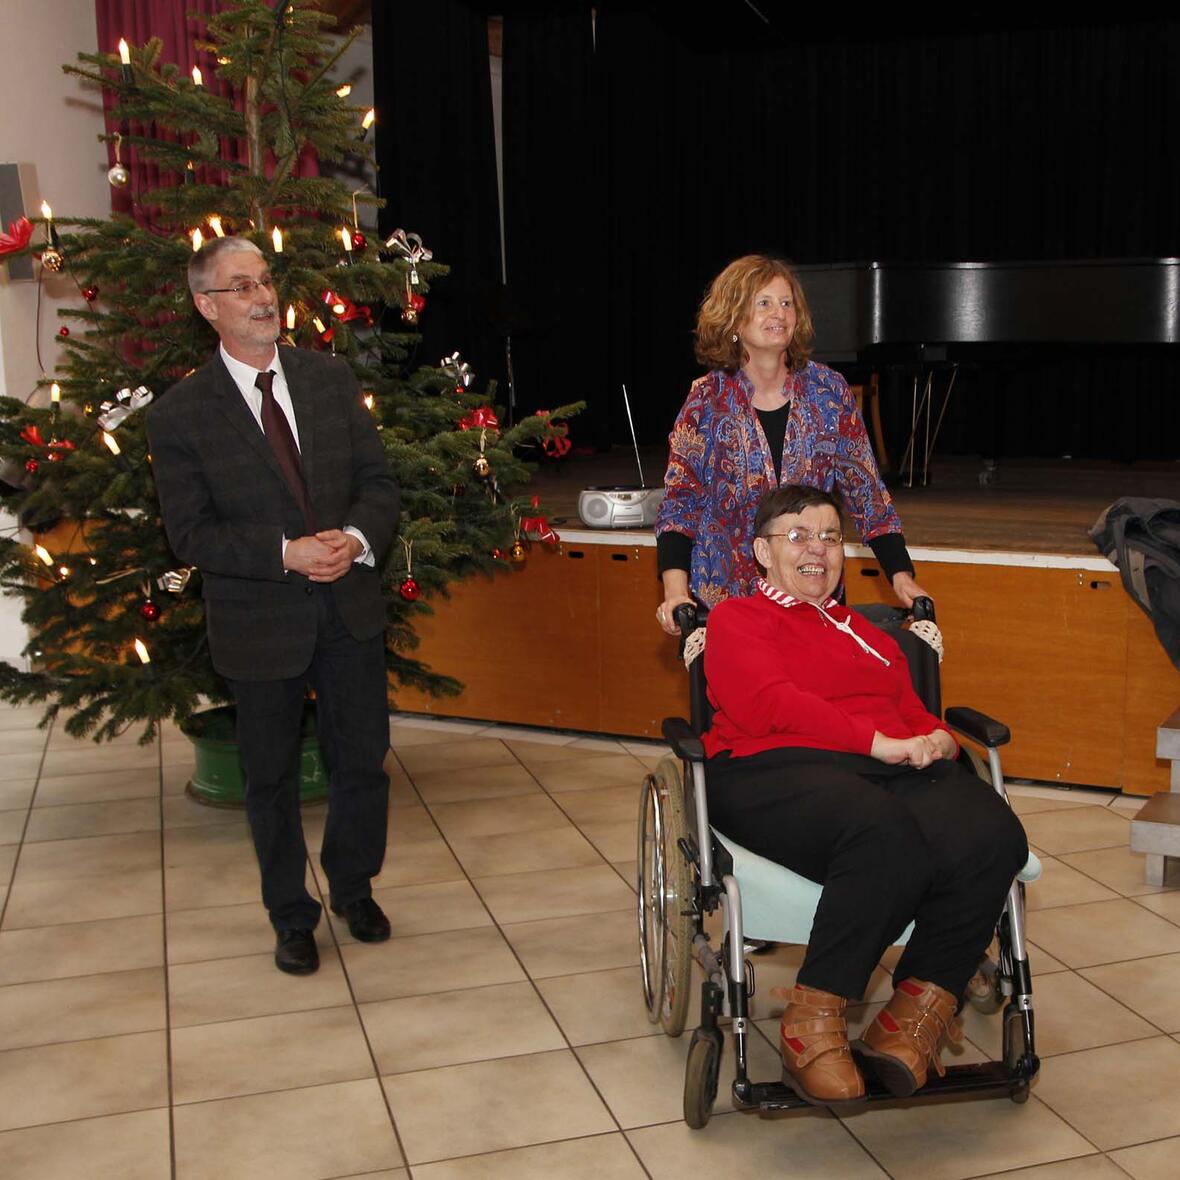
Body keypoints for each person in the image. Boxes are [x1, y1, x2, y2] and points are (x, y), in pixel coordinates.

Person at [702, 484, 1027, 1105]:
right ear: (761, 552)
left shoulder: (873, 636)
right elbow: (768, 704)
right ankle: (812, 1019)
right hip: (769, 766)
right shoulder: (737, 619)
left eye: (829, 537)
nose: (817, 550)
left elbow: (910, 709)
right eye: (797, 536)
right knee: (882, 834)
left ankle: (912, 1017)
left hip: (882, 764)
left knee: (993, 835)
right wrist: (874, 741)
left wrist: (937, 741)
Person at [147, 236, 401, 976]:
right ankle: (290, 915)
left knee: (361, 761)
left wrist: (354, 539)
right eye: (241, 286)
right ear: (206, 306)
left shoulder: (327, 379)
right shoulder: (181, 415)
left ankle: (355, 888)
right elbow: (190, 533)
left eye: (266, 281)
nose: (263, 297)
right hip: (259, 622)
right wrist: (283, 552)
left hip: (348, 606)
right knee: (271, 780)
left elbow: (378, 482)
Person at [655, 254, 928, 636]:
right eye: (763, 303)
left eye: (787, 304)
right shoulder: (706, 401)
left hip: (815, 600)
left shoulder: (829, 392)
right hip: (729, 609)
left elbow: (868, 494)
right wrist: (674, 593)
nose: (779, 313)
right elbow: (679, 506)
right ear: (733, 318)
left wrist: (902, 577)